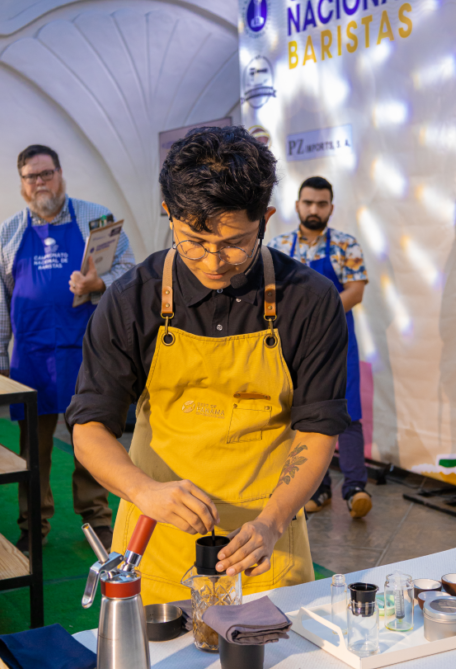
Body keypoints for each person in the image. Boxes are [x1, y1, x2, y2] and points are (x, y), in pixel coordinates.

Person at [66, 126, 350, 604]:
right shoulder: (132, 298)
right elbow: (89, 428)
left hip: (265, 544)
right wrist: (144, 492)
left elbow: (318, 428)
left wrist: (273, 522)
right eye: (194, 240)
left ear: (266, 219)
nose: (214, 262)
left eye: (236, 243)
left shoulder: (309, 299)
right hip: (154, 541)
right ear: (169, 215)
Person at [0, 144, 135, 553]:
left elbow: (129, 271)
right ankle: (33, 525)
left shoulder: (96, 219)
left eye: (46, 173)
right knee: (33, 450)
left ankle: (98, 519)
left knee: (94, 440)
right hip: (31, 357)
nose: (40, 182)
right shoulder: (9, 232)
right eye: (32, 176)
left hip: (87, 354)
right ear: (22, 184)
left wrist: (96, 285)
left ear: (60, 173)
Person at [269, 176, 372, 519]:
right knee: (306, 412)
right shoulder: (278, 247)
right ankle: (318, 488)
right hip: (294, 341)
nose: (314, 209)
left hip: (340, 339)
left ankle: (356, 488)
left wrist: (317, 315)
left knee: (350, 411)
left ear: (331, 207)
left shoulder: (346, 244)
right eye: (308, 202)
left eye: (321, 203)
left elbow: (355, 292)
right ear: (298, 205)